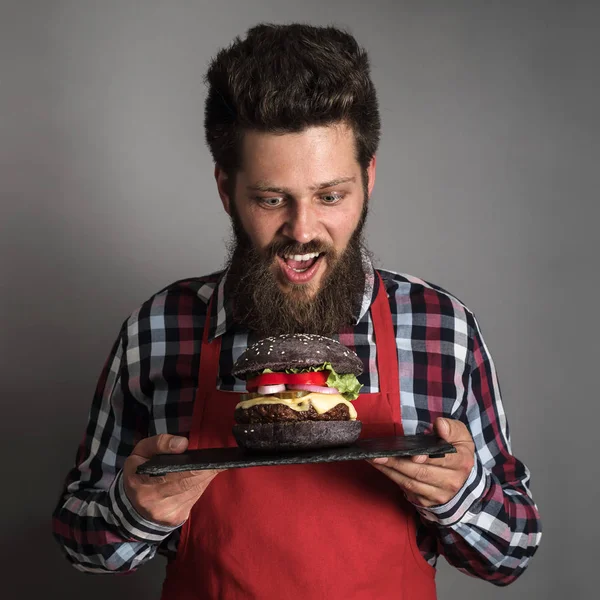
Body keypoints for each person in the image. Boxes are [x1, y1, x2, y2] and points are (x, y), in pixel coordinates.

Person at [52, 23, 542, 599]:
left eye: (330, 196)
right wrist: (134, 511)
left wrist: (461, 496)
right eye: (270, 199)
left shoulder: (440, 328)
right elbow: (78, 541)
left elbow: (511, 553)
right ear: (226, 190)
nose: (303, 231)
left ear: (369, 179)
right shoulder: (159, 329)